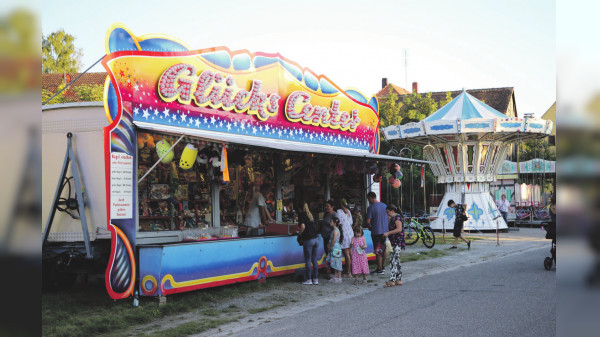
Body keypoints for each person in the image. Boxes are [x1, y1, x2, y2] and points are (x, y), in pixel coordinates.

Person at [383, 205, 405, 287]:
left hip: (397, 242)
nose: (387, 214)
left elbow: (399, 229)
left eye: (388, 212)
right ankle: (398, 279)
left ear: (392, 211)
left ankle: (392, 279)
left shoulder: (397, 218)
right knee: (397, 260)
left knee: (393, 260)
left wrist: (388, 233)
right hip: (393, 241)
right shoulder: (392, 218)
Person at [298, 203, 320, 285]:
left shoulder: (302, 215)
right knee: (314, 260)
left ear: (300, 209)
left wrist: (299, 234)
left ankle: (308, 279)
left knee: (308, 260)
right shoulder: (311, 215)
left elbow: (303, 227)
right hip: (316, 239)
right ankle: (315, 279)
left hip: (308, 239)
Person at [366, 192, 388, 274]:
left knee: (378, 250)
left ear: (371, 197)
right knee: (383, 249)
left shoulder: (371, 208)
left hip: (376, 231)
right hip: (385, 231)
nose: (368, 200)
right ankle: (382, 266)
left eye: (368, 199)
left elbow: (368, 221)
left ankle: (379, 269)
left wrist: (369, 226)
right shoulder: (384, 205)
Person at [336, 199, 353, 278]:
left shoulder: (339, 212)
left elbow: (338, 222)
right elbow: (351, 222)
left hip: (345, 233)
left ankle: (348, 272)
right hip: (350, 232)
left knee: (346, 254)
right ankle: (353, 270)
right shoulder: (348, 211)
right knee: (350, 252)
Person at [321, 200, 336, 279]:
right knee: (328, 254)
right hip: (325, 237)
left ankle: (333, 272)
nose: (326, 208)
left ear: (332, 207)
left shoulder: (334, 215)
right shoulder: (326, 214)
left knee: (331, 254)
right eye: (326, 206)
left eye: (328, 206)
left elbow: (336, 227)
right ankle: (329, 271)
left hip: (330, 238)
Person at [326, 217, 344, 283]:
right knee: (335, 261)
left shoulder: (335, 231)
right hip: (335, 247)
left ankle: (339, 277)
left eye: (331, 221)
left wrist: (330, 246)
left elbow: (334, 239)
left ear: (334, 223)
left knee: (337, 262)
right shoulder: (335, 230)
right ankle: (336, 276)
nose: (330, 222)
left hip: (335, 247)